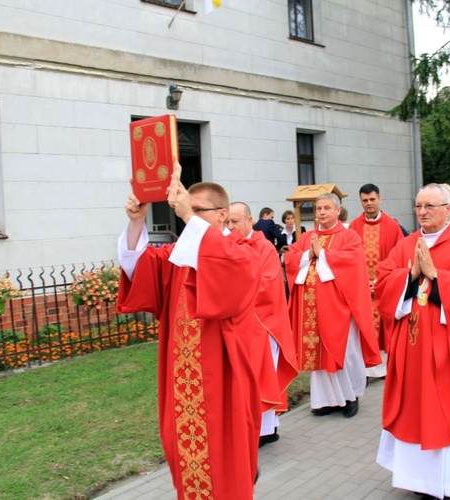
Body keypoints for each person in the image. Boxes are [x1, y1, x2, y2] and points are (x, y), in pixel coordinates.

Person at [117, 174, 263, 499]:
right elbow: (135, 266)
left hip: (223, 379)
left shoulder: (241, 250)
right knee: (185, 457)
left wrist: (187, 216)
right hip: (183, 385)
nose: (191, 216)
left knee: (226, 461)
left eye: (200, 210)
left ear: (222, 213)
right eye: (188, 209)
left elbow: (230, 269)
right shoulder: (177, 255)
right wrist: (137, 223)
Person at [375, 184, 450, 499]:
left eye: (430, 206)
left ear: (447, 209)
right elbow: (383, 283)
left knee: (448, 413)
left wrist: (437, 275)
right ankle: (418, 481)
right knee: (413, 411)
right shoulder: (406, 245)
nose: (422, 212)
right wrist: (411, 275)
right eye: (418, 206)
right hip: (411, 349)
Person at [284, 193, 381, 418]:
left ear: (338, 211)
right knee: (318, 353)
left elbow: (353, 263)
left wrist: (324, 254)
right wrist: (310, 253)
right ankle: (325, 400)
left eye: (327, 208)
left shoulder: (349, 237)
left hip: (340, 309)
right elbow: (290, 258)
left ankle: (350, 397)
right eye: (319, 208)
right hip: (311, 309)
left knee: (345, 353)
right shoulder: (307, 236)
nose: (322, 212)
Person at [226, 202, 298, 447]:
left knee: (261, 375)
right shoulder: (227, 246)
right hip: (237, 324)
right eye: (228, 222)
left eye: (235, 221)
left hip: (262, 323)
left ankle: (265, 430)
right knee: (243, 378)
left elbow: (267, 284)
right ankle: (255, 426)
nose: (231, 227)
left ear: (249, 221)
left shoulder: (264, 247)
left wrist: (234, 289)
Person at [348, 183, 404, 379]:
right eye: (365, 200)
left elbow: (399, 257)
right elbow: (348, 257)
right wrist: (361, 281)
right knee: (363, 325)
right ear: (361, 202)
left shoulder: (392, 226)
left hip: (384, 286)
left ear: (379, 199)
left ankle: (383, 367)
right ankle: (365, 366)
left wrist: (381, 280)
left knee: (384, 327)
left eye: (372, 199)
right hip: (360, 287)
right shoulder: (354, 226)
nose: (369, 203)